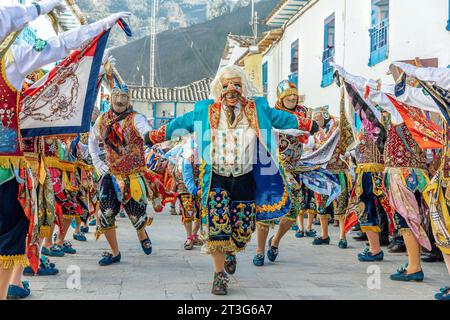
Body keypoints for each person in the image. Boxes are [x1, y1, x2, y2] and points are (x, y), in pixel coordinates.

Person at [145, 66, 318, 295]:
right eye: (226, 85)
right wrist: (153, 136)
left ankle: (231, 251)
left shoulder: (257, 108)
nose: (231, 89)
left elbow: (282, 118)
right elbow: (180, 124)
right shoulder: (204, 109)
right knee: (217, 227)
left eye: (236, 84)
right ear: (219, 88)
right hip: (216, 176)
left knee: (243, 229)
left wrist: (308, 124)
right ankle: (218, 276)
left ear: (243, 87)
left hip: (245, 177)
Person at [0, 1, 130, 299]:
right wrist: (101, 25)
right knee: (12, 234)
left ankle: (24, 273)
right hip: (11, 170)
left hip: (23, 169)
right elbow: (58, 46)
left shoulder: (13, 59)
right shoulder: (13, 58)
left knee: (29, 226)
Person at [253, 80, 339, 266]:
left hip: (295, 165)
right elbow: (281, 129)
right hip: (273, 166)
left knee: (293, 211)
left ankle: (274, 242)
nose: (292, 97)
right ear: (281, 98)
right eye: (287, 95)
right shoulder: (271, 113)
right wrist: (303, 128)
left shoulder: (304, 112)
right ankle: (259, 251)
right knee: (267, 209)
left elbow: (325, 120)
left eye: (294, 94)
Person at [89, 83, 156, 266]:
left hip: (133, 175)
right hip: (111, 174)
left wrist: (150, 135)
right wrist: (96, 161)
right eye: (116, 98)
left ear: (129, 101)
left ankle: (141, 233)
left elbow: (145, 131)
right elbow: (92, 140)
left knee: (136, 214)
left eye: (123, 99)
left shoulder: (136, 119)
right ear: (110, 100)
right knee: (106, 213)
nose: (119, 102)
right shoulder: (102, 119)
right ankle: (114, 252)